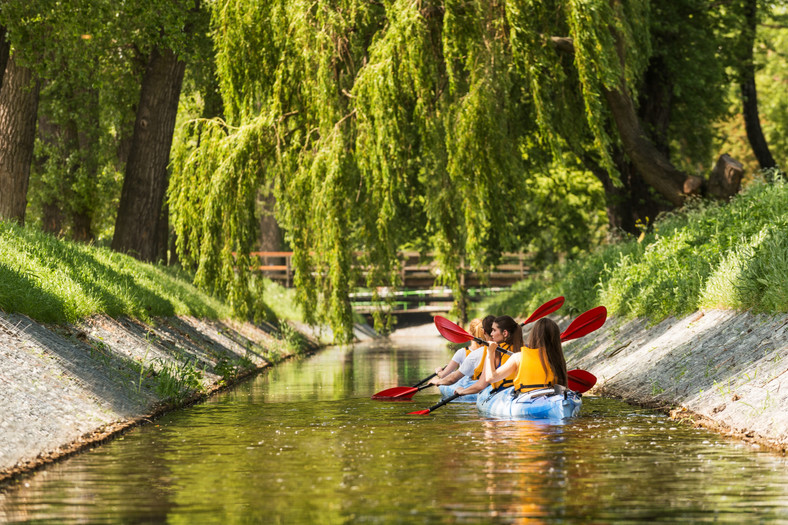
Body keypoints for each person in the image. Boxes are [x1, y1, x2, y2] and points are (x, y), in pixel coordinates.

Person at [480, 317, 568, 394]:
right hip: (551, 398)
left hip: (526, 399)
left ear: (533, 335)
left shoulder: (518, 357)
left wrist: (490, 353)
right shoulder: (557, 359)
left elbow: (491, 378)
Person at [453, 315, 524, 397]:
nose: (491, 333)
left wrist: (462, 391)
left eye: (494, 330)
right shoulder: (525, 349)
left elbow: (480, 385)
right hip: (522, 392)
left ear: (505, 333)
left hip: (503, 394)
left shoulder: (494, 352)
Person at [428, 315, 495, 388]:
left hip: (467, 385)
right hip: (486, 385)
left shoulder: (466, 353)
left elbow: (446, 376)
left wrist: (439, 372)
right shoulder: (495, 349)